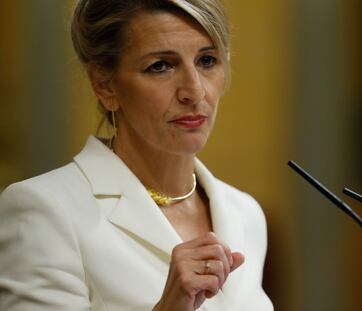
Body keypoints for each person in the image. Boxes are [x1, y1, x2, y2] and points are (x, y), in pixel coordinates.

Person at [0, 0, 274, 310]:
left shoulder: (245, 213)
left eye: (207, 60)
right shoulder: (44, 210)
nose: (195, 91)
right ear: (105, 85)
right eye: (161, 66)